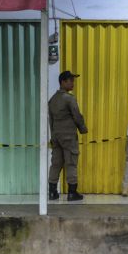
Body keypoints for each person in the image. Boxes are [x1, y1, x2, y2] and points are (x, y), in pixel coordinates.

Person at [48, 70, 88, 201]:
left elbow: (51, 120)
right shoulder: (69, 99)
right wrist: (83, 129)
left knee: (56, 164)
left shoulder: (52, 100)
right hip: (69, 137)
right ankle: (72, 192)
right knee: (71, 163)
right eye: (70, 81)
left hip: (56, 136)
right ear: (63, 82)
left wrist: (53, 136)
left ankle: (52, 192)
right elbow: (77, 115)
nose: (73, 83)